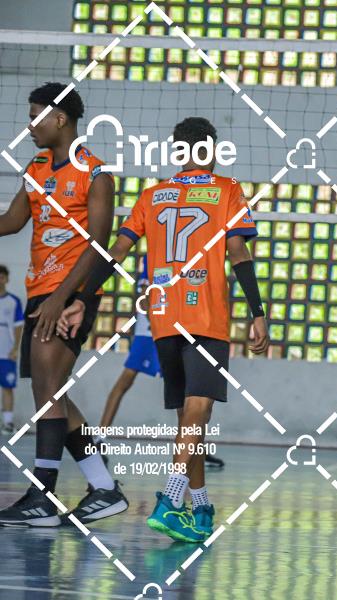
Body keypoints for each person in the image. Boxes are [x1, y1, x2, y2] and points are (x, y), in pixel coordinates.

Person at [59, 117, 268, 543]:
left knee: (190, 419)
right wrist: (257, 311)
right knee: (198, 412)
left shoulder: (151, 195)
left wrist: (83, 296)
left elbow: (117, 251)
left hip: (163, 319)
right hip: (205, 317)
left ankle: (202, 508)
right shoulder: (226, 190)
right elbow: (238, 253)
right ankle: (171, 500)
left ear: (178, 152)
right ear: (210, 151)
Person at [0, 82, 127, 526]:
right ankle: (104, 488)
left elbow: (99, 244)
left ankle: (43, 497)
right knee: (52, 393)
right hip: (41, 290)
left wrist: (62, 298)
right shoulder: (36, 168)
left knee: (47, 392)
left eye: (35, 116)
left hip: (71, 294)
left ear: (60, 118)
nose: (29, 125)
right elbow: (13, 221)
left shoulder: (96, 173)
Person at [97, 257, 224, 468]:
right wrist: (158, 317)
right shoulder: (153, 256)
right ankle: (100, 439)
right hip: (151, 331)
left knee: (189, 393)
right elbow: (145, 297)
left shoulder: (187, 256)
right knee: (126, 380)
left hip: (175, 329)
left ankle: (195, 449)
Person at [0, 265, 25, 433]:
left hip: (6, 352)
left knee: (7, 386)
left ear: (7, 279)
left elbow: (18, 326)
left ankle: (8, 423)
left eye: (2, 277)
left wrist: (15, 348)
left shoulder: (14, 301)